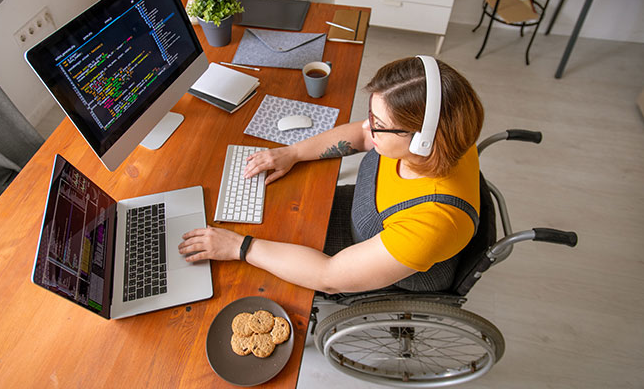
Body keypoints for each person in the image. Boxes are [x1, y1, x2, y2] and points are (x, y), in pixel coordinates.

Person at [178, 56, 484, 294]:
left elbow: (329, 277)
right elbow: (361, 137)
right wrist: (292, 153)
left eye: (378, 123)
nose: (367, 127)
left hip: (376, 263)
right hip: (361, 218)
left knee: (240, 274)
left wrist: (238, 247)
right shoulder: (447, 131)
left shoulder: (432, 223)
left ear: (422, 140)